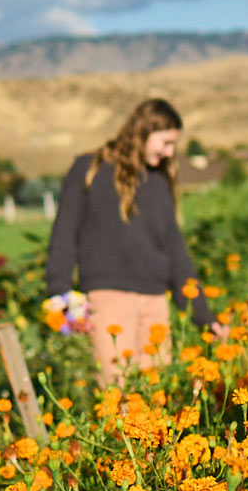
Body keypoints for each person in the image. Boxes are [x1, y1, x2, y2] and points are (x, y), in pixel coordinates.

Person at [46, 97, 218, 382]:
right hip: (109, 299)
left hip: (155, 302)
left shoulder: (159, 182)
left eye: (173, 145)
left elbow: (176, 253)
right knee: (117, 396)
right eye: (165, 143)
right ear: (144, 132)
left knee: (157, 397)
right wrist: (59, 291)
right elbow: (64, 231)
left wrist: (203, 315)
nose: (169, 152)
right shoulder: (89, 169)